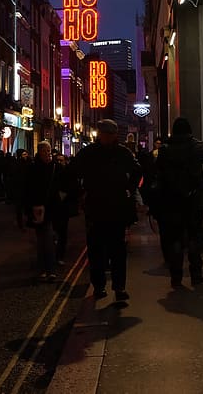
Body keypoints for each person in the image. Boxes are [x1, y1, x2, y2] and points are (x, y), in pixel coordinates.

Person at [67, 119, 142, 301]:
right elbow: (71, 173)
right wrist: (80, 192)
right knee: (97, 249)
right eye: (104, 133)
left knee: (115, 249)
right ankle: (100, 285)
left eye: (109, 134)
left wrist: (129, 190)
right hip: (98, 206)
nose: (106, 137)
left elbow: (137, 172)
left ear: (114, 135)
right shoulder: (90, 153)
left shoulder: (122, 153)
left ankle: (118, 287)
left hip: (113, 207)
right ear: (100, 134)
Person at [154, 117, 203, 287]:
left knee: (175, 238)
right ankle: (196, 275)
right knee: (195, 236)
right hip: (194, 198)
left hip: (172, 199)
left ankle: (176, 277)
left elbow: (158, 170)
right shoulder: (196, 146)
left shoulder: (165, 149)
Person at [22, 141, 63, 281]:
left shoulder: (55, 167)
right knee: (42, 240)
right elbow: (27, 190)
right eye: (45, 150)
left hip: (51, 209)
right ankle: (45, 269)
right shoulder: (32, 168)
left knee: (47, 239)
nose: (48, 153)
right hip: (37, 209)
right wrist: (29, 209)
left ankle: (48, 269)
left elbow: (61, 185)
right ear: (39, 152)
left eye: (49, 150)